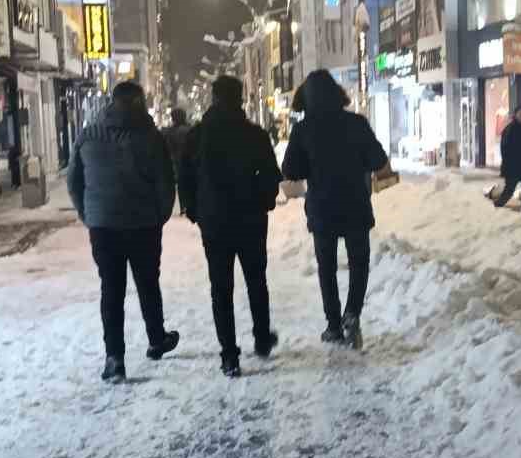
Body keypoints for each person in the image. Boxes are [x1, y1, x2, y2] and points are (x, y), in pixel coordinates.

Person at [68, 81, 179, 383]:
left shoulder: (88, 136)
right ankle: (157, 339)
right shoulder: (150, 137)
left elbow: (74, 181)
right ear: (140, 102)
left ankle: (114, 357)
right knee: (147, 283)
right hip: (143, 224)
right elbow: (166, 182)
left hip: (103, 227)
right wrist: (160, 215)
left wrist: (88, 213)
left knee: (111, 290)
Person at [179, 76, 281, 377]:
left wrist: (195, 211)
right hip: (250, 219)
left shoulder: (197, 136)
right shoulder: (255, 134)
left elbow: (184, 177)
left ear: (213, 98)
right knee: (256, 281)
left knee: (221, 288)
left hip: (214, 222)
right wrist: (265, 201)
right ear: (239, 99)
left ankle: (229, 355)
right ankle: (262, 339)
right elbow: (271, 176)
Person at [281, 68, 389, 350]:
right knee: (359, 263)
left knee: (326, 268)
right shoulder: (356, 123)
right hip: (355, 204)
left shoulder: (303, 130)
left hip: (322, 209)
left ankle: (333, 325)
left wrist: (312, 165)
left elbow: (290, 169)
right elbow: (378, 160)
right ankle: (352, 314)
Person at [493, 106, 521, 222]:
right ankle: (494, 209)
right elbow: (504, 150)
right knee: (509, 192)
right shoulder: (509, 130)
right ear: (515, 115)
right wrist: (507, 166)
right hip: (512, 168)